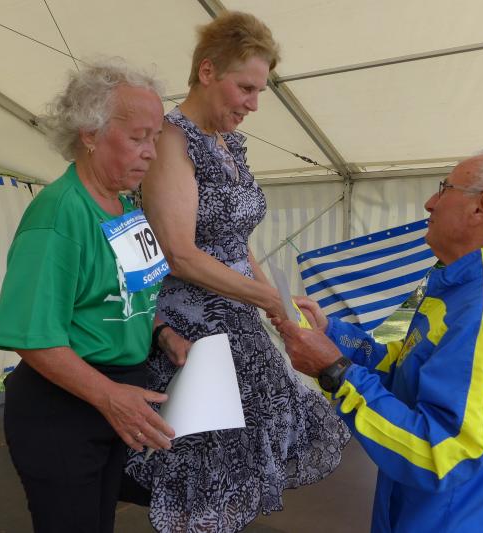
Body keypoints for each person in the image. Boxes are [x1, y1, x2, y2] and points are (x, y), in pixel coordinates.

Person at [124, 11, 349, 533]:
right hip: (193, 328)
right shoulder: (173, 140)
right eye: (245, 88)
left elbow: (237, 242)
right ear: (207, 72)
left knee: (242, 461)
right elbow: (178, 253)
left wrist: (278, 305)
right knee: (207, 463)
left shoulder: (228, 145)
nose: (253, 104)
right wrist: (266, 300)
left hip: (237, 319)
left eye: (259, 92)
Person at [274, 149, 483, 532]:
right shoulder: (454, 285)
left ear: (481, 207)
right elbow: (397, 362)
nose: (430, 203)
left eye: (445, 188)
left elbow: (440, 455)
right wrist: (331, 334)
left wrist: (333, 371)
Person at [0, 58, 191, 533]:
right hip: (66, 407)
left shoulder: (124, 207)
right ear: (90, 134)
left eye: (155, 138)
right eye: (138, 137)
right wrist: (109, 397)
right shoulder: (59, 213)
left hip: (114, 400)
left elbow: (136, 293)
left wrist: (162, 332)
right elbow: (32, 337)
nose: (151, 154)